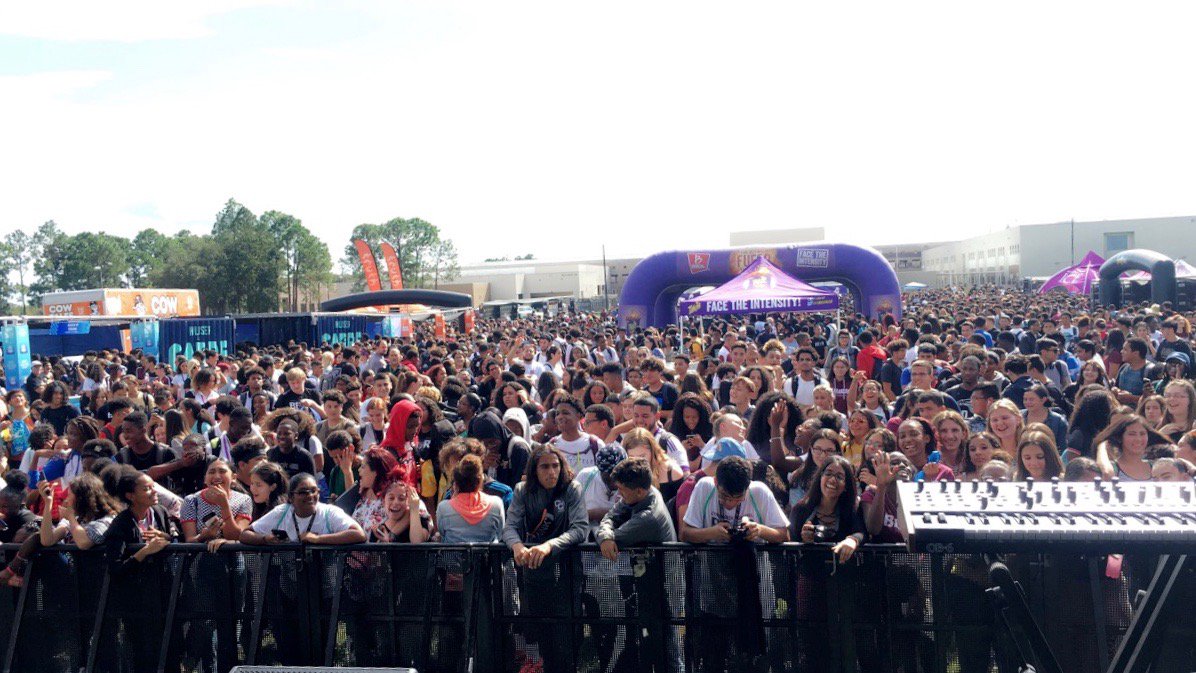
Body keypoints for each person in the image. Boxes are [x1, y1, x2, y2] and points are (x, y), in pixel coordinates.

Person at [501, 445, 588, 673]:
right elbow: (509, 528)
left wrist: (550, 545)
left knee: (565, 633)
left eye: (555, 466)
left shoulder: (572, 488)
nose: (551, 472)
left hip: (565, 571)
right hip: (534, 572)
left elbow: (580, 529)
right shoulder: (522, 490)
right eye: (545, 467)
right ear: (534, 470)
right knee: (539, 630)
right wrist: (517, 546)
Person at [680, 455, 789, 543]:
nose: (730, 503)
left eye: (738, 498)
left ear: (748, 487)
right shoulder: (704, 487)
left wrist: (759, 530)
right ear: (715, 482)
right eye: (724, 496)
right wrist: (710, 533)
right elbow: (684, 534)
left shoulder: (760, 492)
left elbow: (784, 535)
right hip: (711, 565)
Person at [435, 454, 505, 543]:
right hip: (487, 556)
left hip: (453, 556)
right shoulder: (496, 503)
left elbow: (443, 534)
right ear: (480, 481)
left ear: (456, 483)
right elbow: (499, 534)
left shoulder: (443, 507)